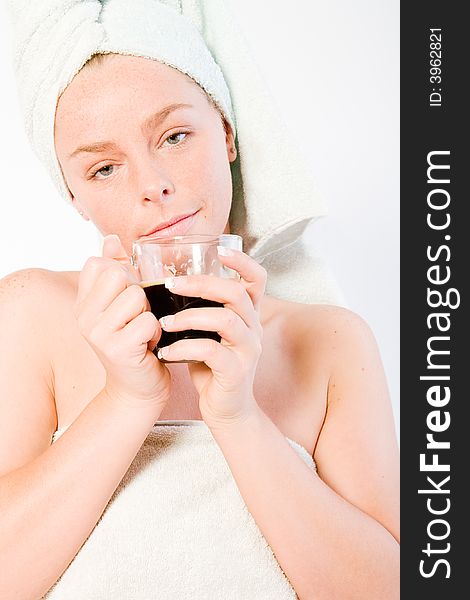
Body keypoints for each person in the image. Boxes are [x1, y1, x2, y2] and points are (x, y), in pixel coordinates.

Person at [0, 2, 399, 599]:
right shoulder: (31, 313)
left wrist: (237, 416)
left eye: (176, 135)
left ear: (228, 133)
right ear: (74, 196)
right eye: (104, 168)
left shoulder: (331, 342)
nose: (152, 185)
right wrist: (127, 399)